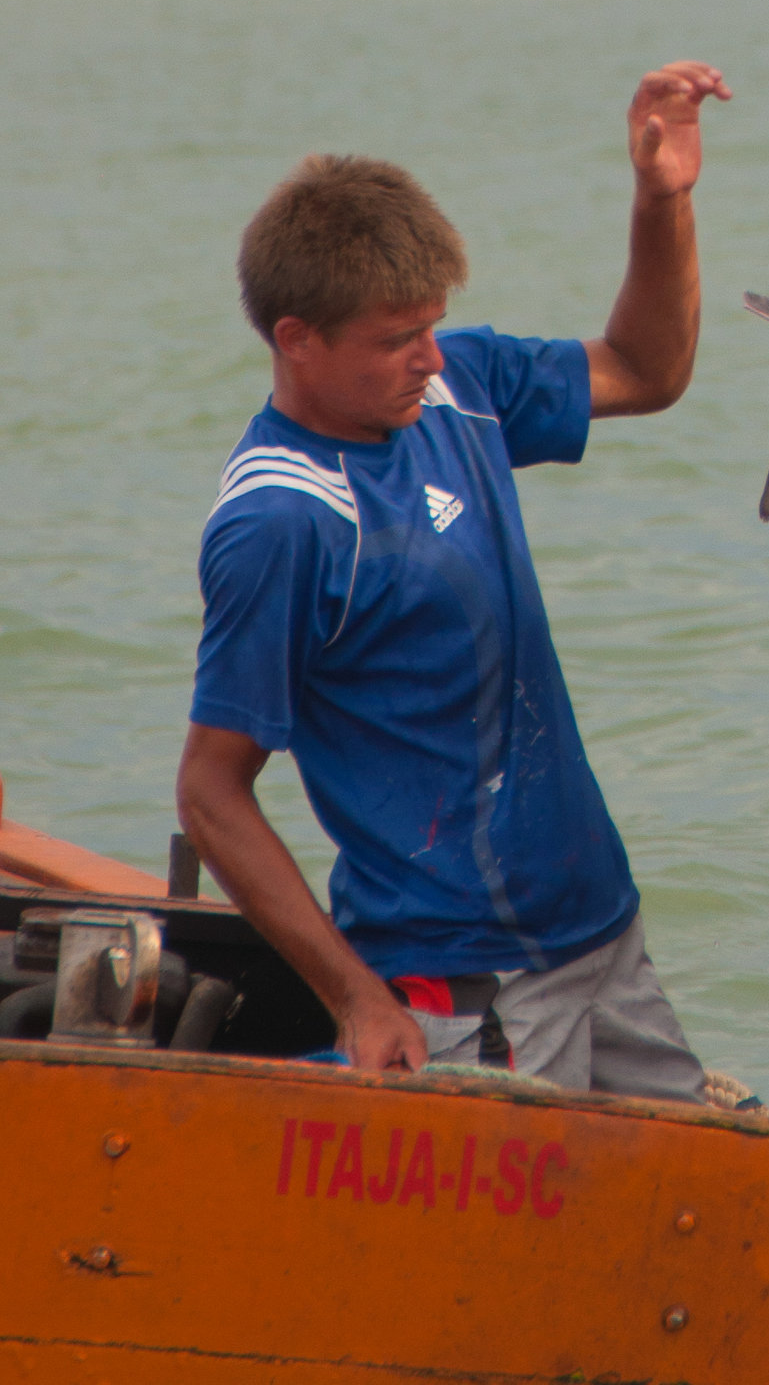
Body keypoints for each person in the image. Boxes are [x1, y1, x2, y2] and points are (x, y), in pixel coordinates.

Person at [177, 62, 732, 1084]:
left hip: (599, 932)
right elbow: (212, 793)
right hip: (463, 987)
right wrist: (357, 997)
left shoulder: (454, 384)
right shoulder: (282, 520)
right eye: (397, 339)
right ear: (296, 340)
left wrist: (663, 200)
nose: (430, 355)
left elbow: (645, 369)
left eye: (432, 324)